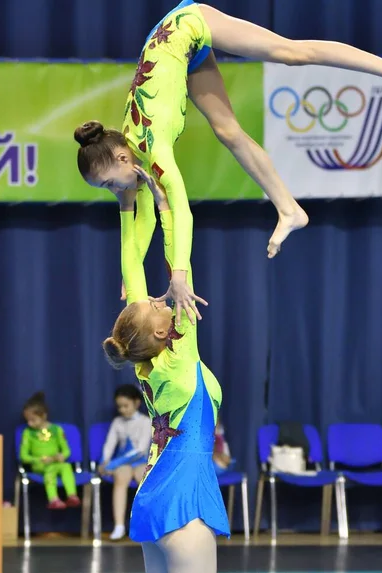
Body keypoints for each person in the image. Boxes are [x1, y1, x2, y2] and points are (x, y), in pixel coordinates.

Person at [74, 0, 382, 322]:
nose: (115, 190)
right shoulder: (125, 162)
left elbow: (180, 211)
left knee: (292, 53)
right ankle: (289, 209)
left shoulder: (153, 151)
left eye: (110, 182)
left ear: (123, 156)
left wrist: (180, 275)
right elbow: (133, 233)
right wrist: (133, 278)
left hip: (184, 25)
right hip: (178, 57)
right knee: (228, 132)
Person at [102, 166, 227, 573]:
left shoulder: (145, 362)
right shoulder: (178, 350)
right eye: (156, 305)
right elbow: (179, 258)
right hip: (184, 504)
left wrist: (126, 206)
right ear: (162, 329)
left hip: (153, 496)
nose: (160, 299)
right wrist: (163, 203)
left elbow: (132, 273)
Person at [98, 384, 152, 541]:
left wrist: (113, 464)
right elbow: (109, 444)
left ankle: (144, 525)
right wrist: (105, 461)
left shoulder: (145, 421)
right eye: (119, 406)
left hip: (140, 460)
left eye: (126, 406)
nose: (122, 410)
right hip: (122, 463)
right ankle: (119, 525)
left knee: (143, 477)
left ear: (137, 403)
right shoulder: (117, 422)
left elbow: (141, 449)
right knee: (121, 477)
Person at [19, 391, 81, 510]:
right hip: (40, 465)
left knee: (66, 467)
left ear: (43, 416)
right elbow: (24, 456)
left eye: (33, 420)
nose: (29, 423)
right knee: (51, 470)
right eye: (27, 420)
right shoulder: (27, 433)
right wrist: (39, 459)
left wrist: (62, 456)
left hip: (56, 462)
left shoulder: (57, 430)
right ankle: (53, 499)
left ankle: (72, 495)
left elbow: (66, 450)